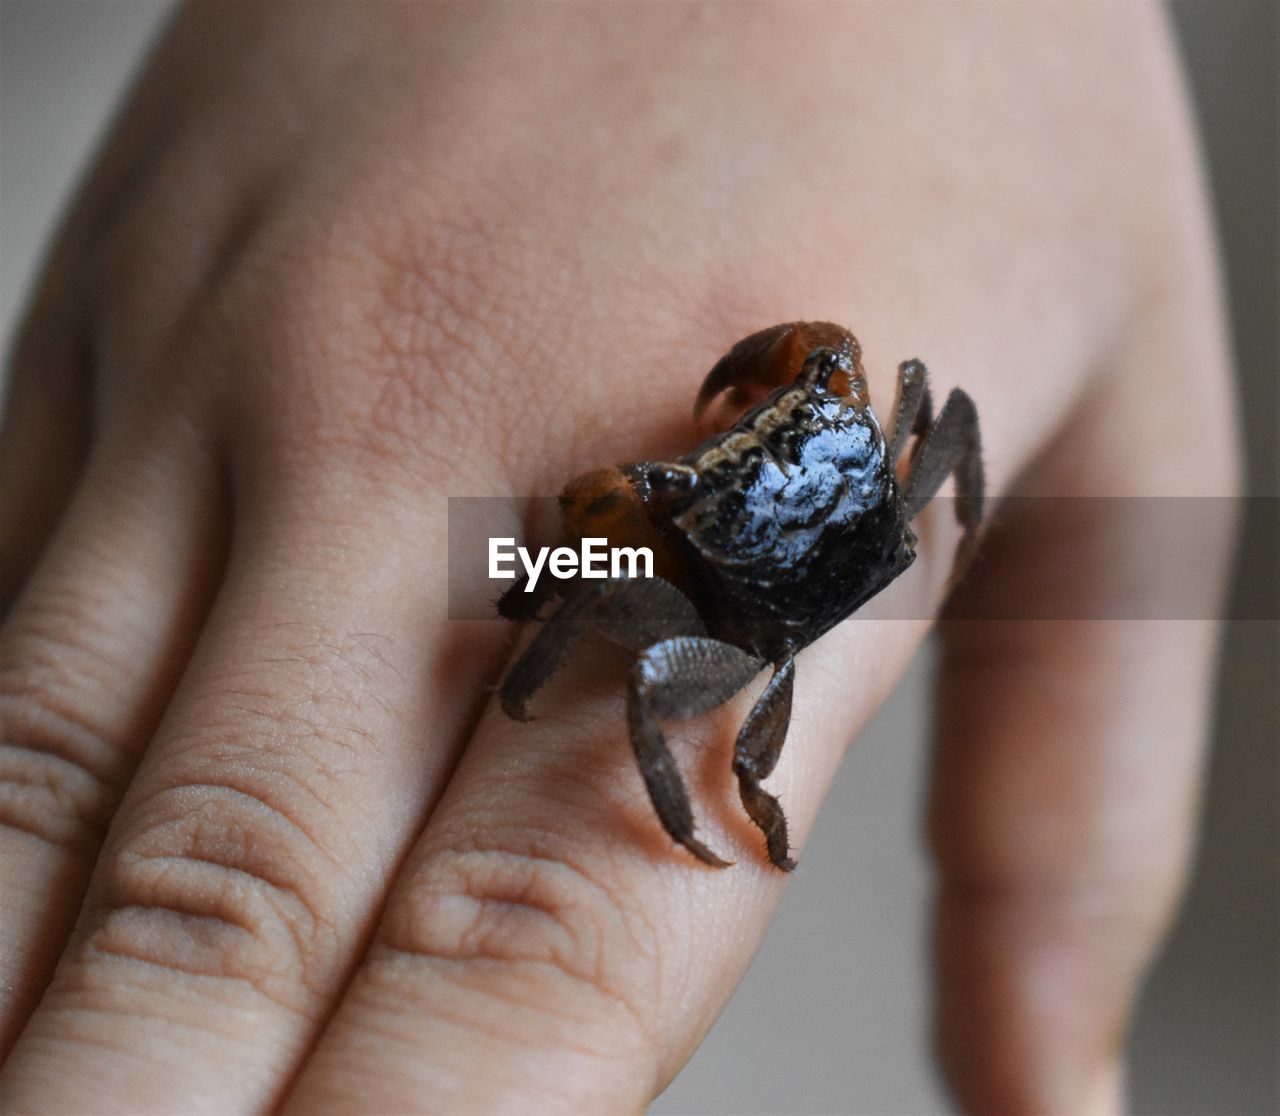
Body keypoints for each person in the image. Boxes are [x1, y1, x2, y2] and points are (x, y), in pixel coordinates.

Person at [0, 3, 1238, 1112]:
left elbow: (555, 583)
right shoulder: (867, 428)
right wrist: (949, 527)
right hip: (813, 617)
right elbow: (930, 410)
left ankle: (720, 817)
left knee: (621, 645)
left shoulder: (695, 524)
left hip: (746, 634)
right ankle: (740, 823)